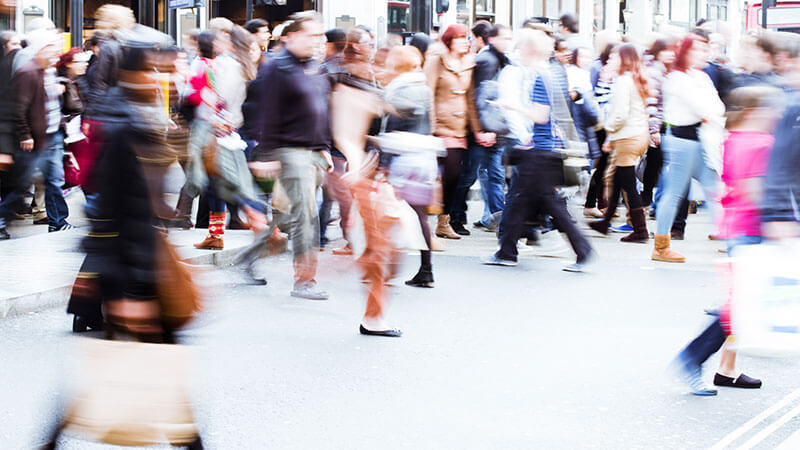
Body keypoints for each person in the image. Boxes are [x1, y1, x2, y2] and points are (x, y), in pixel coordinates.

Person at [672, 86, 778, 396]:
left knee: (741, 301)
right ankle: (693, 357)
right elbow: (754, 190)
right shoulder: (761, 143)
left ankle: (724, 368)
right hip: (753, 229)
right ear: (754, 112)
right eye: (770, 109)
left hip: (736, 227)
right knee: (740, 303)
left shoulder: (733, 139)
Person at [483, 28, 594, 272]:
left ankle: (582, 250)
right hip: (543, 149)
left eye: (521, 47)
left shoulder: (540, 77)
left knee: (542, 204)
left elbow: (540, 116)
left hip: (540, 153)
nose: (518, 51)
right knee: (524, 202)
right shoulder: (550, 73)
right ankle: (507, 251)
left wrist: (511, 106)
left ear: (529, 50)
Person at [258, 12, 331, 300]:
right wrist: (267, 153)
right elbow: (267, 112)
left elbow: (321, 108)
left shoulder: (314, 66)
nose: (316, 41)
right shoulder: (278, 67)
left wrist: (323, 145)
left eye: (319, 36)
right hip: (289, 150)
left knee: (287, 214)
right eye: (311, 35)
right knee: (306, 216)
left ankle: (251, 256)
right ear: (294, 35)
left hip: (312, 151)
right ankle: (304, 281)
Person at [653, 34, 725, 263]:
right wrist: (710, 113)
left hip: (698, 140)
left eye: (705, 49)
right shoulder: (677, 79)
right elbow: (707, 109)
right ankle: (661, 246)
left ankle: (729, 240)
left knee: (713, 190)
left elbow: (716, 108)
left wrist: (711, 113)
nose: (704, 53)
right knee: (676, 193)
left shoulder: (698, 77)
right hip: (683, 140)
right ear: (685, 52)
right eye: (698, 49)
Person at [0, 32, 73, 238]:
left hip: (48, 137)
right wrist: (25, 135)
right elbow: (18, 108)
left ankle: (58, 222)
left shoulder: (45, 71)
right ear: (40, 49)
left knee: (53, 180)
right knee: (20, 187)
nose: (55, 51)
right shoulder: (28, 72)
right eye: (50, 47)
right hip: (33, 140)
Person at [450, 24, 511, 236]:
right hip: (482, 131)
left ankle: (497, 219)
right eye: (505, 38)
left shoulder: (500, 60)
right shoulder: (487, 60)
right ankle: (455, 217)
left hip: (493, 131)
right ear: (492, 39)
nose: (508, 42)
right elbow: (476, 98)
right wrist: (481, 130)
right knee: (469, 176)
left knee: (493, 176)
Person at [588, 44, 650, 243]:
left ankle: (640, 230)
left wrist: (607, 129)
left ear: (624, 59)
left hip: (627, 137)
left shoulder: (623, 81)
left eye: (614, 57)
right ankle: (605, 221)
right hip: (637, 135)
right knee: (616, 179)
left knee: (628, 184)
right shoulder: (636, 78)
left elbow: (620, 115)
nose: (609, 60)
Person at [423, 24, 480, 241]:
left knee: (454, 175)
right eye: (460, 38)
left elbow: (471, 98)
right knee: (437, 175)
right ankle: (425, 221)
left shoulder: (470, 63)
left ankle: (443, 222)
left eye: (467, 38)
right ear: (449, 41)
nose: (465, 42)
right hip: (439, 126)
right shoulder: (436, 60)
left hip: (459, 128)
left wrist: (477, 129)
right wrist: (429, 127)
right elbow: (428, 93)